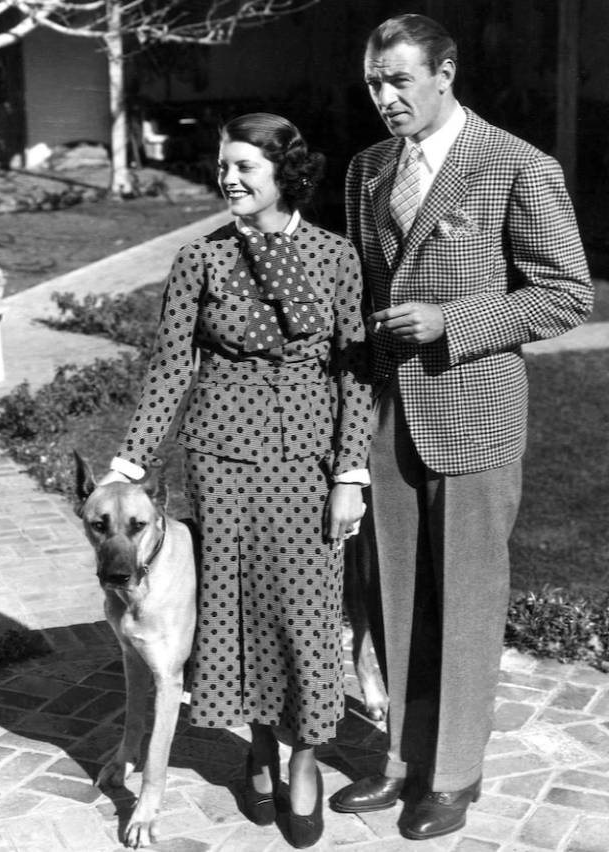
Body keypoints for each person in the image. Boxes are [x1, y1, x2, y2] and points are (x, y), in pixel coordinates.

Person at [330, 15, 593, 841]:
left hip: (474, 414)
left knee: (468, 598)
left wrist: (454, 320)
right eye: (375, 82)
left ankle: (453, 776)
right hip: (387, 415)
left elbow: (566, 294)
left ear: (444, 73)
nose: (384, 98)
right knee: (396, 593)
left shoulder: (517, 165)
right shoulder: (367, 169)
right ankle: (401, 763)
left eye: (400, 80)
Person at [101, 113, 374, 848]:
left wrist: (351, 471)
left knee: (307, 614)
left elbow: (356, 372)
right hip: (221, 460)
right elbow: (171, 368)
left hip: (308, 460)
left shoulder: (335, 256)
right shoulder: (201, 258)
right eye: (223, 165)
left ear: (285, 171)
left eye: (245, 166)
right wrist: (129, 461)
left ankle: (306, 755)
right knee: (236, 609)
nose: (228, 178)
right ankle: (258, 748)